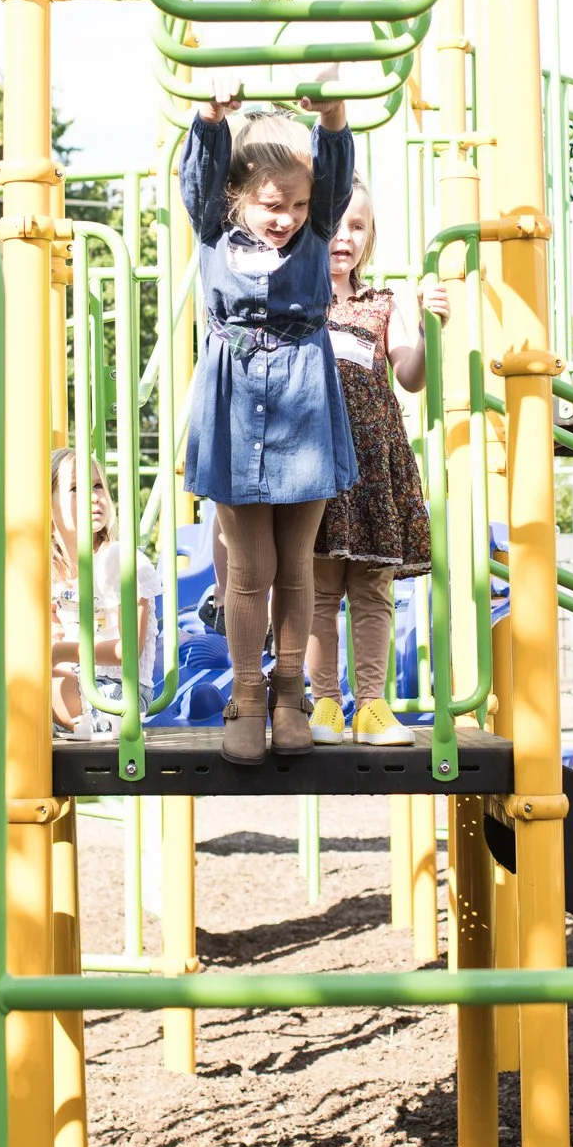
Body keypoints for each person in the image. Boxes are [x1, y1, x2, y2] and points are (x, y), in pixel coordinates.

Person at [179, 88, 357, 764]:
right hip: (233, 398)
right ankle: (247, 692)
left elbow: (334, 174)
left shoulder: (313, 234)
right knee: (250, 565)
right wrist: (210, 118)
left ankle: (291, 691)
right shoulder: (212, 229)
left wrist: (333, 116)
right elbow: (197, 172)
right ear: (237, 197)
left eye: (299, 206)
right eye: (271, 204)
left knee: (296, 563)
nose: (286, 218)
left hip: (304, 394)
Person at [306, 179, 446, 745]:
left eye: (357, 226)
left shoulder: (384, 304)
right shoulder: (297, 302)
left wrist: (430, 327)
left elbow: (410, 376)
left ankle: (370, 704)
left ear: (370, 237)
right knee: (316, 588)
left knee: (371, 588)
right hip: (314, 462)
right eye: (334, 225)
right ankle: (323, 704)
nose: (344, 236)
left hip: (372, 464)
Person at [48, 448, 157, 739]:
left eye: (97, 486)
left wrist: (61, 652)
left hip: (121, 691)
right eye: (76, 489)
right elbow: (50, 638)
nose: (94, 497)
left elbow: (127, 650)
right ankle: (75, 726)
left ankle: (84, 725)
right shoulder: (51, 572)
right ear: (48, 507)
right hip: (75, 681)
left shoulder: (122, 562)